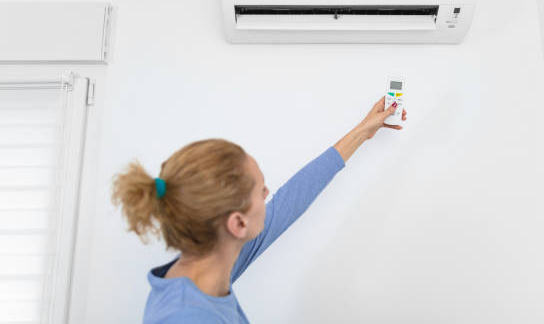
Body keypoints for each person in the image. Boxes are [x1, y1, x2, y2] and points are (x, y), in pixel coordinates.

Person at [112, 97, 406, 323]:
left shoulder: (210, 261)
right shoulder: (185, 316)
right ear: (238, 223)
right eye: (260, 191)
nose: (268, 195)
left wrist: (362, 132)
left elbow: (290, 201)